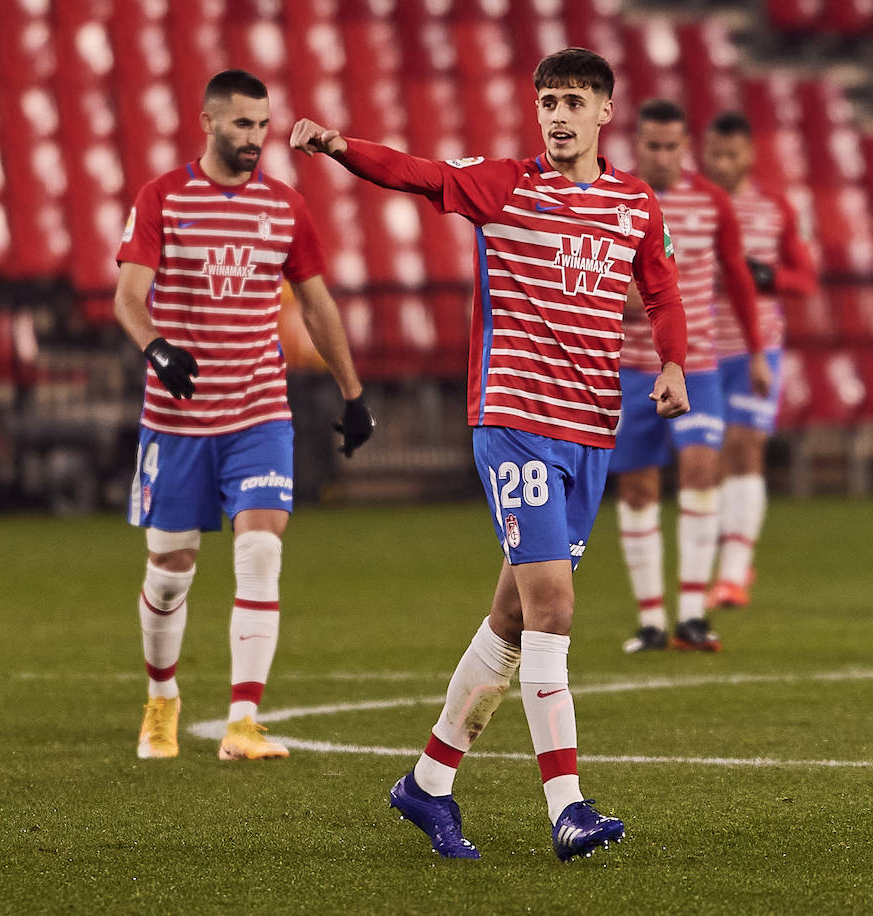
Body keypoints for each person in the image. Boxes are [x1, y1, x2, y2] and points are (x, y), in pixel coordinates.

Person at [291, 48, 689, 861]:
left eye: (574, 100)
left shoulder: (635, 205)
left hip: (590, 430)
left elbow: (662, 288)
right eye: (547, 99)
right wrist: (341, 146)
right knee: (555, 607)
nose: (558, 113)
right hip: (513, 420)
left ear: (605, 113)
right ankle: (567, 806)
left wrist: (674, 360)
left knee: (512, 617)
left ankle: (427, 784)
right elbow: (421, 175)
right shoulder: (505, 186)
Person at [115, 69, 374, 762]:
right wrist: (156, 346)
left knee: (261, 551)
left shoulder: (286, 208)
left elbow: (317, 305)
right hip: (176, 424)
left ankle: (243, 722)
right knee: (171, 572)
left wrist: (353, 393)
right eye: (240, 125)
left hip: (260, 413)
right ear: (206, 122)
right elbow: (127, 298)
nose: (254, 138)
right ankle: (161, 699)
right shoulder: (162, 199)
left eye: (262, 125)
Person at [612, 99, 770, 654]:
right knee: (638, 487)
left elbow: (739, 279)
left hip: (698, 364)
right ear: (637, 145)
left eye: (671, 145)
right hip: (629, 368)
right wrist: (626, 300)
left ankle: (694, 616)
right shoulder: (612, 199)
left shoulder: (712, 202)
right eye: (651, 145)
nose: (661, 155)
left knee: (702, 469)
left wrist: (754, 351)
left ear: (686, 146)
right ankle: (652, 621)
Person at [702, 111, 819, 609]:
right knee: (709, 460)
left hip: (757, 349)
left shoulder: (774, 209)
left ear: (749, 154)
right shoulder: (693, 208)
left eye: (732, 154)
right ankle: (727, 560)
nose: (724, 163)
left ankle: (731, 575)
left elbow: (805, 280)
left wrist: (765, 277)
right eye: (716, 154)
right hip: (704, 349)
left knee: (746, 448)